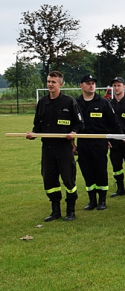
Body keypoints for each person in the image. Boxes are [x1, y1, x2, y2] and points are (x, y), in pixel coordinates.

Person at [26, 71, 83, 222]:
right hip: (47, 148)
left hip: (64, 148)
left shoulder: (69, 102)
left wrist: (73, 132)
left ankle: (70, 210)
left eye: (53, 82)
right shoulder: (43, 102)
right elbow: (37, 126)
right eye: (49, 81)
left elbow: (79, 123)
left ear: (60, 84)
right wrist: (32, 134)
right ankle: (55, 210)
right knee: (49, 180)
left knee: (68, 180)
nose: (50, 84)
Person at [75, 74, 122, 211]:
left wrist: (118, 139)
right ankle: (92, 201)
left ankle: (102, 200)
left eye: (93, 83)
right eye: (88, 83)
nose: (91, 85)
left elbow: (114, 123)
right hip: (83, 143)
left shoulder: (103, 102)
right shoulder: (76, 103)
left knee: (100, 171)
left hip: (99, 143)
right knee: (87, 172)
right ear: (81, 85)